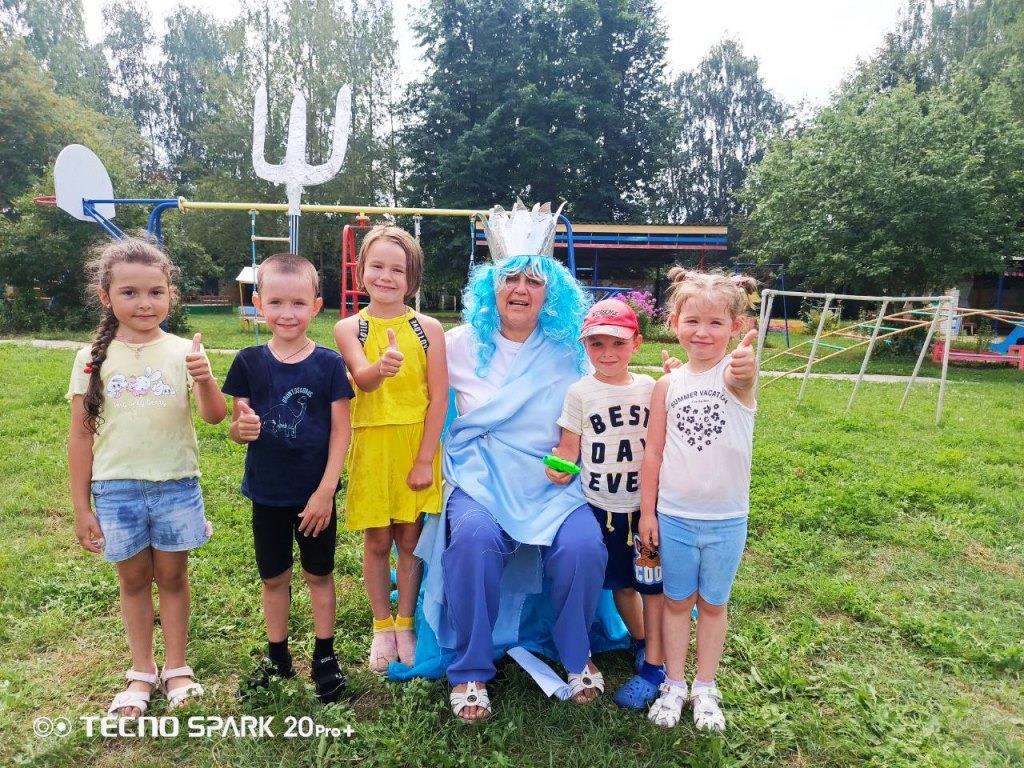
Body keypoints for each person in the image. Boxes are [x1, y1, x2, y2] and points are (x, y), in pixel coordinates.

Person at [410, 202, 611, 722]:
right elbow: (413, 394)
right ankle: (470, 669)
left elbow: (605, 398)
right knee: (473, 540)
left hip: (551, 477)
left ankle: (576, 653)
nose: (521, 290)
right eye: (510, 278)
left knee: (584, 546)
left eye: (534, 281)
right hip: (481, 474)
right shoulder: (456, 344)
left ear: (551, 293)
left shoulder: (571, 349)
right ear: (491, 287)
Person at [67, 238, 226, 717]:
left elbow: (214, 416)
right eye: (130, 292)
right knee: (133, 580)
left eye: (156, 292)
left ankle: (177, 668)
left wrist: (204, 378)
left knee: (173, 577)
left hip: (176, 484)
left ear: (170, 294)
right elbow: (80, 436)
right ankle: (141, 670)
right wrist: (82, 508)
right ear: (106, 297)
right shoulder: (91, 358)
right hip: (115, 490)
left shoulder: (184, 351)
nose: (144, 303)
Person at [223, 253, 352, 704]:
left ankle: (325, 655)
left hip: (315, 497)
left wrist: (325, 492)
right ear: (259, 303)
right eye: (276, 302)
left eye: (298, 303)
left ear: (315, 306)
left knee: (319, 574)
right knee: (274, 578)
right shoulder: (248, 362)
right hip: (268, 493)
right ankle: (277, 655)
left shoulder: (329, 365)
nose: (287, 313)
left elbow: (341, 431)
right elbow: (237, 426)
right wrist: (240, 430)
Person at [639, 268, 760, 731]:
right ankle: (674, 684)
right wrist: (647, 513)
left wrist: (746, 366)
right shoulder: (666, 386)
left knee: (712, 605)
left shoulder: (735, 375)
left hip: (727, 519)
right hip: (673, 518)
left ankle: (705, 686)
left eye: (715, 323)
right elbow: (653, 453)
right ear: (674, 324)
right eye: (692, 321)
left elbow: (743, 377)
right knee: (675, 602)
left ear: (735, 326)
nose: (703, 332)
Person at [545, 298, 667, 710]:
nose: (608, 353)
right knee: (619, 584)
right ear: (585, 347)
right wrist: (559, 468)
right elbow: (569, 448)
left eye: (618, 342)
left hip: (646, 510)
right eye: (596, 344)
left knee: (649, 583)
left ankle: (651, 648)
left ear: (637, 343)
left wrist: (673, 378)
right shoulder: (580, 392)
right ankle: (635, 639)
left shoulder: (651, 387)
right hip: (602, 511)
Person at [334, 226, 446, 672]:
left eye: (397, 269)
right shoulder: (349, 328)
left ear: (412, 278)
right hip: (372, 446)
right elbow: (362, 379)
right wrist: (380, 368)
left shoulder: (428, 329)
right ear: (361, 271)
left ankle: (405, 622)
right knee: (377, 539)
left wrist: (424, 460)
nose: (386, 276)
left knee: (410, 539)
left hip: (414, 446)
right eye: (377, 266)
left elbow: (439, 398)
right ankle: (381, 625)